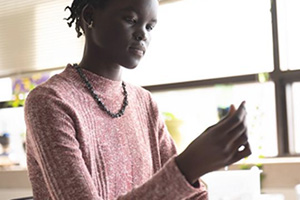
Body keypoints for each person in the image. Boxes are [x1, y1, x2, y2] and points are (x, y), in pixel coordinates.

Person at [24, 0, 251, 199]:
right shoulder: (49, 102)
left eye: (150, 26)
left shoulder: (144, 103)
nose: (143, 34)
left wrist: (201, 166)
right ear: (89, 16)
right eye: (131, 19)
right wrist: (187, 167)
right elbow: (179, 176)